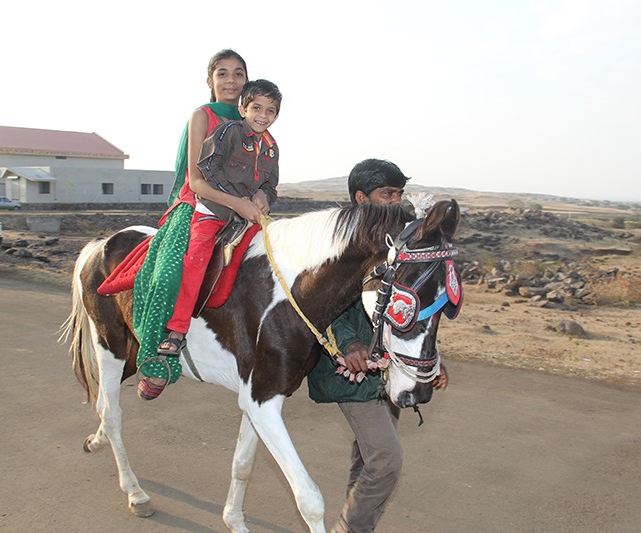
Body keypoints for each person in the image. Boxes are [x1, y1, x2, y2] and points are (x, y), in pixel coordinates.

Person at [307, 158, 448, 533]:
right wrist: (351, 345)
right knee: (386, 461)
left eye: (399, 193)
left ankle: (356, 525)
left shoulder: (396, 244)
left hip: (389, 367)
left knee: (368, 460)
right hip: (352, 369)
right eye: (388, 193)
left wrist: (430, 361)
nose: (396, 201)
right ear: (361, 198)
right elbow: (322, 305)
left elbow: (412, 309)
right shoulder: (337, 246)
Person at [133, 48, 279, 400]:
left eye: (238, 73)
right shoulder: (204, 116)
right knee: (171, 270)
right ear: (210, 80)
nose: (231, 80)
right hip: (202, 202)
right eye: (223, 73)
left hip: (244, 208)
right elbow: (197, 181)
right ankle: (159, 352)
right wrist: (239, 204)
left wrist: (261, 198)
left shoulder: (264, 131)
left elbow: (267, 180)